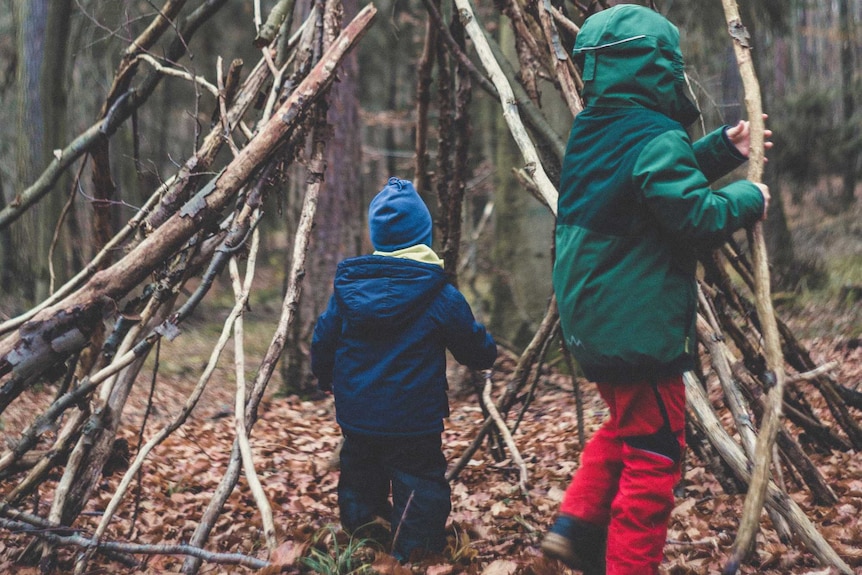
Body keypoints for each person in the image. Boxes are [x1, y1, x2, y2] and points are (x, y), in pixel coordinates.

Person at [542, 5, 771, 575]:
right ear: (658, 67)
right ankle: (628, 564)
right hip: (635, 325)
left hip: (596, 321)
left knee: (627, 430)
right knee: (655, 454)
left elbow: (652, 187)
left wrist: (723, 149)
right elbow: (692, 215)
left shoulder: (596, 133)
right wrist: (749, 198)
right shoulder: (655, 136)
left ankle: (574, 528)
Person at [311, 176, 498, 563]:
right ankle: (416, 556)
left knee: (360, 479)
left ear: (378, 236)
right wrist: (486, 351)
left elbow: (323, 339)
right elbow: (473, 347)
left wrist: (324, 376)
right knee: (420, 486)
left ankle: (364, 545)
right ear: (423, 236)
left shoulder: (349, 291)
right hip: (415, 420)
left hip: (358, 414)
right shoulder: (439, 294)